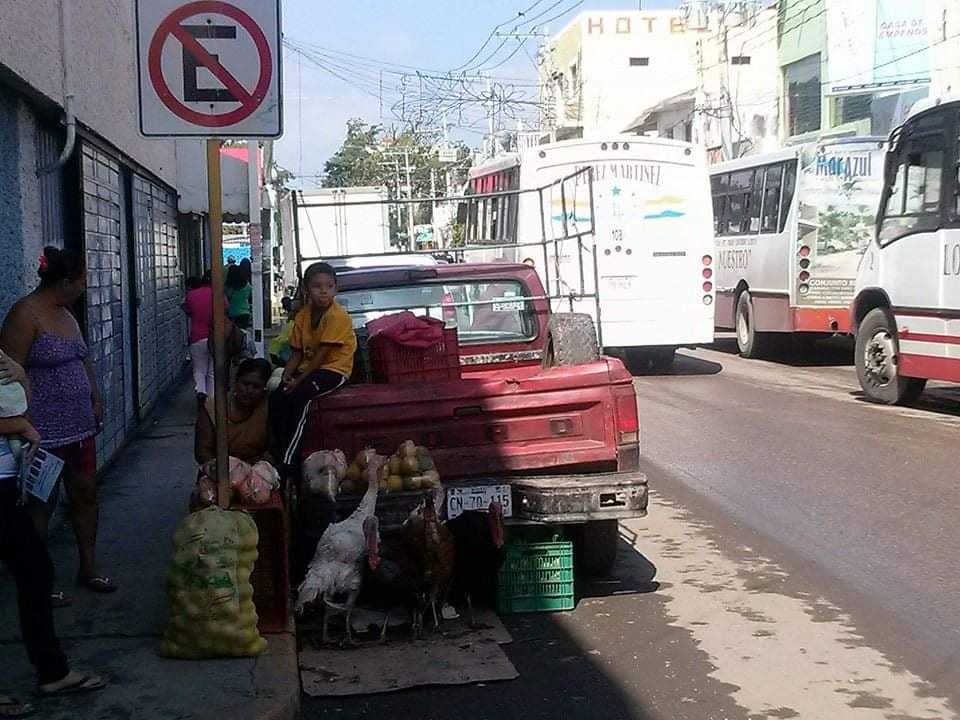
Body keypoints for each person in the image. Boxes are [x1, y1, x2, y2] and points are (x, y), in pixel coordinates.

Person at [0, 246, 115, 596]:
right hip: (41, 430)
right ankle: (39, 581)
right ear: (65, 282)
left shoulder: (67, 314)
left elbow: (83, 359)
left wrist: (95, 396)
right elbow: (7, 375)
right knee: (40, 504)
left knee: (86, 494)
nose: (85, 286)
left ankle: (89, 567)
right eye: (82, 280)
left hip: (79, 426)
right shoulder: (26, 314)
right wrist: (21, 423)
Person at [0, 352, 106, 716]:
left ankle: (52, 671)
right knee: (34, 571)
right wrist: (15, 427)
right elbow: (17, 420)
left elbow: (19, 408)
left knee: (36, 572)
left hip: (6, 484)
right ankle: (52, 670)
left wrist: (22, 379)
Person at [271, 262, 356, 468]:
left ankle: (289, 459)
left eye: (329, 286)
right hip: (310, 369)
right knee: (277, 397)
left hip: (334, 370)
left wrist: (298, 381)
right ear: (306, 289)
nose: (323, 291)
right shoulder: (302, 316)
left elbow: (321, 356)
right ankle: (275, 449)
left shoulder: (338, 316)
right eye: (317, 286)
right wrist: (287, 376)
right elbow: (297, 353)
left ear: (336, 288)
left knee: (300, 395)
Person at [195, 358, 273, 466]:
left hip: (257, 469)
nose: (249, 390)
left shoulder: (270, 408)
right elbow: (202, 451)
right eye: (245, 384)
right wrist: (229, 470)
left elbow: (275, 449)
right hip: (218, 469)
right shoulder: (213, 407)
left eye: (256, 386)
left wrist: (256, 469)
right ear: (236, 382)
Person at [182, 271, 216, 405]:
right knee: (212, 371)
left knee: (199, 368)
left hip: (197, 336)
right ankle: (212, 401)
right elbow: (226, 309)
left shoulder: (191, 295)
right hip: (214, 336)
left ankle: (201, 391)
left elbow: (186, 308)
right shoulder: (217, 294)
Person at [226, 262, 252, 330]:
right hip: (245, 312)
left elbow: (226, 297)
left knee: (232, 335)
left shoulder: (228, 287)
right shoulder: (247, 285)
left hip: (232, 313)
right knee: (242, 334)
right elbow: (249, 296)